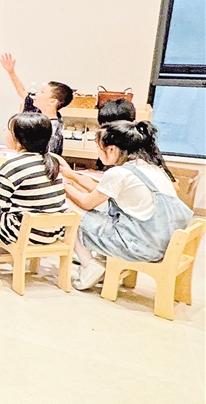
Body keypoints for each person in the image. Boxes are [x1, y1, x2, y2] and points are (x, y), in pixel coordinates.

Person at [60, 121, 192, 290]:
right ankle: (100, 264)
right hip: (160, 243)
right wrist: (71, 176)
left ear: (111, 149)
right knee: (98, 214)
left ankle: (89, 266)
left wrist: (63, 186)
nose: (97, 152)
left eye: (98, 147)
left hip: (137, 246)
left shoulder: (119, 173)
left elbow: (86, 203)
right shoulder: (149, 167)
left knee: (71, 216)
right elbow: (100, 190)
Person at [0, 113, 68, 247]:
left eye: (8, 130)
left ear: (19, 138)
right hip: (54, 231)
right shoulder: (51, 161)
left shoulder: (14, 164)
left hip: (26, 233)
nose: (5, 132)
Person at [0, 53, 73, 155]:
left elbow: (50, 156)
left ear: (52, 101)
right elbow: (22, 92)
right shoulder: (36, 110)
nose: (36, 93)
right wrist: (11, 72)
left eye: (42, 92)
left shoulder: (53, 127)